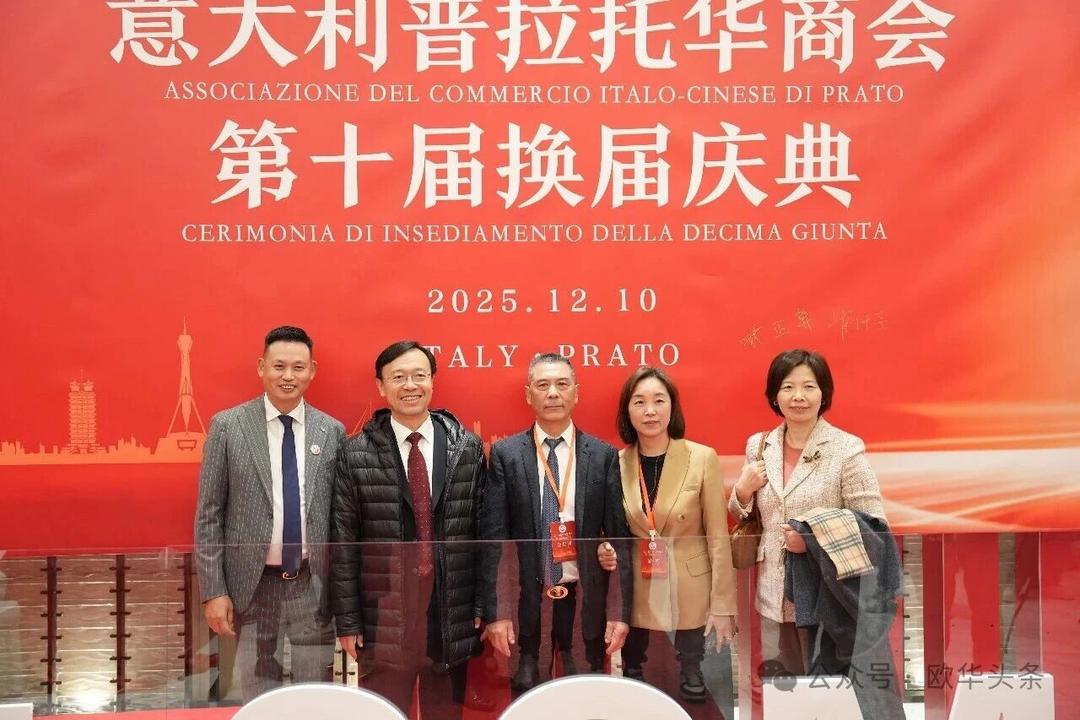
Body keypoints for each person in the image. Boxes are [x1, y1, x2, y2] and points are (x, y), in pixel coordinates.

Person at [330, 341, 486, 718]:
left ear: (433, 381)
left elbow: (485, 534)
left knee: (445, 712)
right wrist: (348, 620)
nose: (410, 385)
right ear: (381, 386)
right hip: (384, 613)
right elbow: (343, 543)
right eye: (398, 377)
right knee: (385, 711)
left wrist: (483, 604)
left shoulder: (466, 447)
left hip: (449, 608)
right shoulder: (355, 453)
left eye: (419, 375)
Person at [194, 326, 345, 701]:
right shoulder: (228, 426)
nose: (288, 376)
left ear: (312, 371)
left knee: (314, 693)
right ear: (261, 367)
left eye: (298, 367)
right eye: (279, 366)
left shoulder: (332, 431)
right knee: (259, 694)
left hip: (312, 585)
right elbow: (209, 514)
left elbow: (341, 518)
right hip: (252, 586)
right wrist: (214, 590)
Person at [728, 348, 888, 676]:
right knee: (784, 686)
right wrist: (742, 491)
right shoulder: (759, 445)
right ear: (775, 396)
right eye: (787, 387)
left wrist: (812, 539)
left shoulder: (846, 448)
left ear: (823, 394)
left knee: (827, 687)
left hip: (827, 595)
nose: (798, 396)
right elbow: (746, 515)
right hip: (773, 595)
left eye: (808, 387)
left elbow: (874, 524)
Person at [479, 353, 632, 691]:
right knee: (527, 698)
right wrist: (498, 611)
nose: (552, 393)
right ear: (528, 394)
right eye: (543, 385)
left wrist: (619, 612)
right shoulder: (506, 455)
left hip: (584, 604)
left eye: (562, 384)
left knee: (586, 699)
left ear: (576, 392)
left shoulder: (602, 455)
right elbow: (494, 541)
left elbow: (619, 540)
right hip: (526, 605)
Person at [597, 367, 737, 703]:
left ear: (672, 406)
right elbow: (610, 529)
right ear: (627, 411)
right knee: (637, 688)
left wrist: (723, 604)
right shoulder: (615, 462)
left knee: (695, 690)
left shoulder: (701, 458)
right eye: (639, 402)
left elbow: (718, 538)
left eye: (659, 401)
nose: (650, 411)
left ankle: (692, 671)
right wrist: (603, 547)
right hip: (639, 585)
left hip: (691, 588)